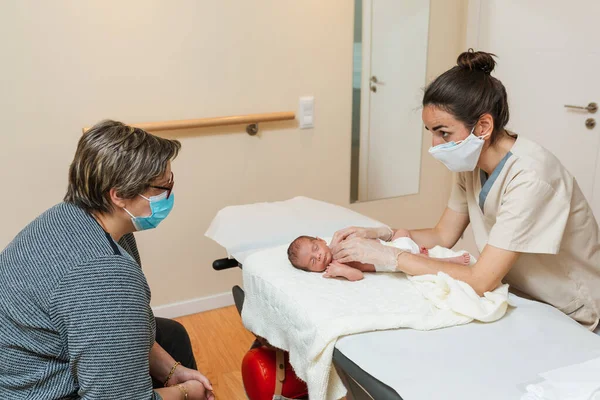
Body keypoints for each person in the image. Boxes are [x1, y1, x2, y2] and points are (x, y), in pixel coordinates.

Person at [330, 50, 600, 333]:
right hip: (523, 295)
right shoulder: (471, 163)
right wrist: (383, 234)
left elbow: (480, 280)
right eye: (431, 132)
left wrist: (392, 258)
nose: (434, 145)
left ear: (483, 126)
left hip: (573, 309)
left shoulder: (530, 178)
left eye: (443, 132)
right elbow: (443, 235)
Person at [0, 120, 214, 399]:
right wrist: (188, 392)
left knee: (172, 334)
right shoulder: (104, 276)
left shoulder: (75, 216)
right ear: (119, 196)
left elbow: (125, 325)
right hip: (30, 390)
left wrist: (173, 371)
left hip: (28, 358)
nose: (168, 194)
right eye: (162, 187)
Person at [287, 233, 470, 281]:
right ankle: (450, 261)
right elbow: (358, 275)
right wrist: (342, 270)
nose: (318, 256)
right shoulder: (336, 264)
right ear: (312, 271)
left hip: (388, 247)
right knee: (421, 263)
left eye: (315, 248)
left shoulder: (337, 242)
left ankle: (422, 251)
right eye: (312, 261)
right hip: (389, 262)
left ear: (320, 240)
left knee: (402, 232)